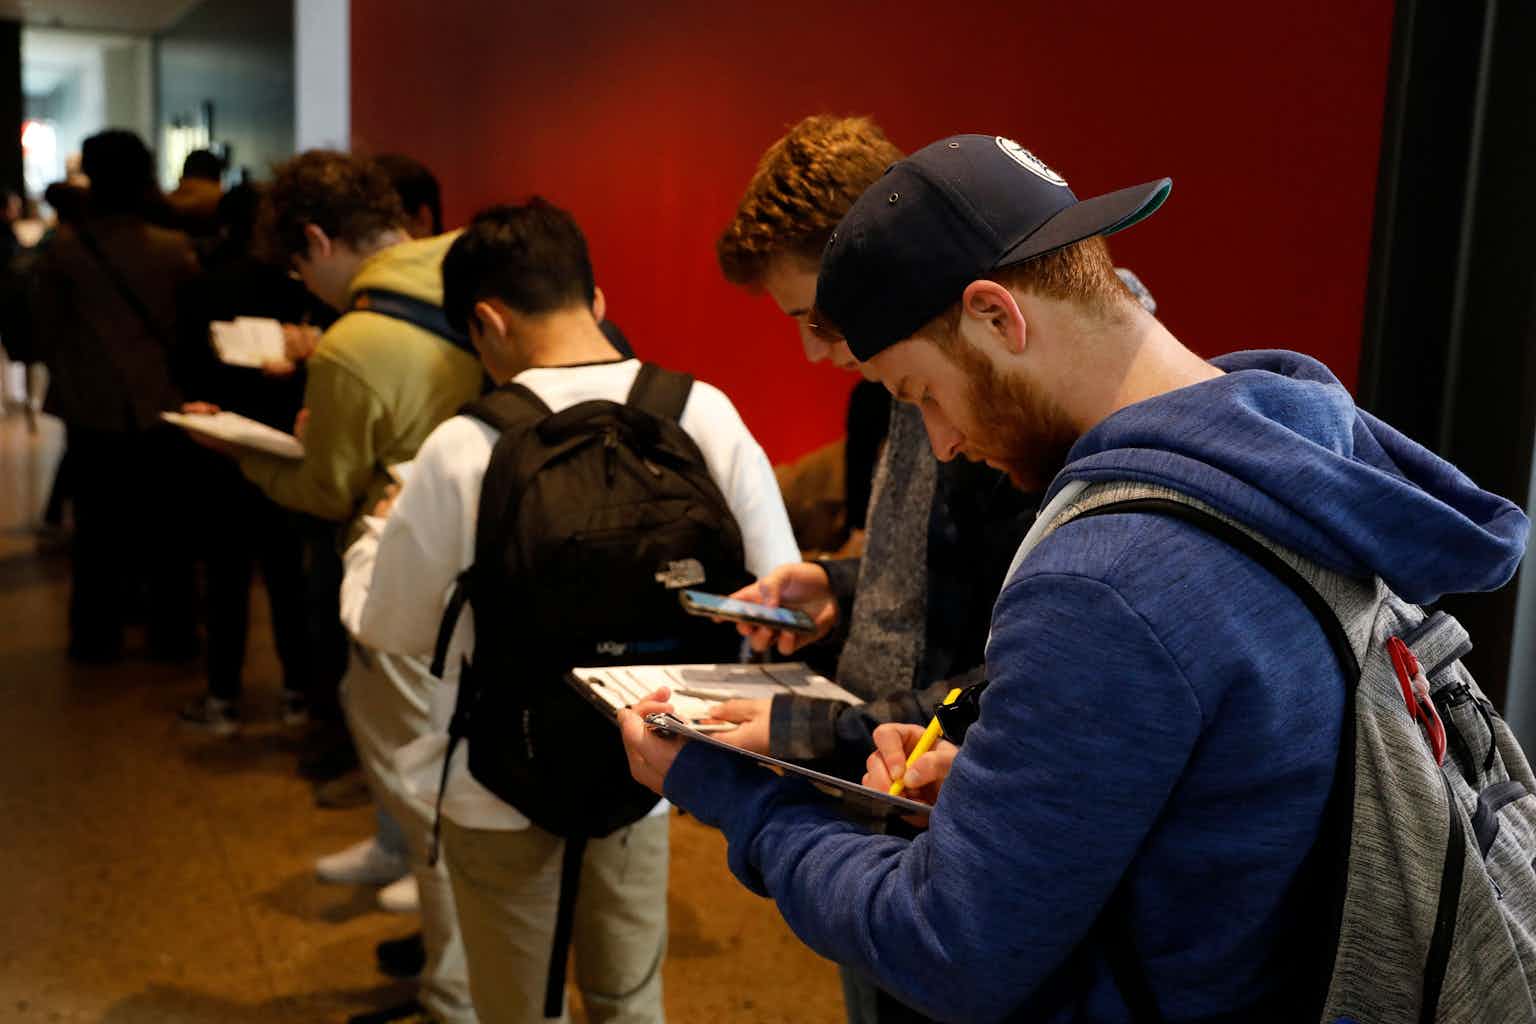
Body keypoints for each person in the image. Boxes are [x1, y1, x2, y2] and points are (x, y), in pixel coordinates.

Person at [618, 133, 1530, 1021]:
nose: (942, 441)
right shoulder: (1285, 463)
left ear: (996, 316)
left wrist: (743, 798)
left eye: (921, 393)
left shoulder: (1107, 578)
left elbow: (948, 951)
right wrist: (1002, 783)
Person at [342, 200, 799, 1023]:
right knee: (627, 999)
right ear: (595, 298)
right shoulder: (702, 412)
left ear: (487, 321)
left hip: (498, 778)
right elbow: (774, 595)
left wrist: (372, 535)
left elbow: (393, 630)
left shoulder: (463, 445)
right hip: (650, 762)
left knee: (518, 1007)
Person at [217, 149, 483, 1024]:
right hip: (489, 566)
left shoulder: (355, 342)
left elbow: (327, 487)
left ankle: (453, 989)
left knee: (424, 782)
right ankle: (460, 957)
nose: (307, 283)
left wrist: (247, 456)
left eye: (300, 266)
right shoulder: (469, 265)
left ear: (318, 240)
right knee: (452, 770)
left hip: (407, 571)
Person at [709, 115, 1036, 787]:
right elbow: (942, 579)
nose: (812, 349)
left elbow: (1023, 666)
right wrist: (841, 588)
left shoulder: (1018, 409)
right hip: (883, 771)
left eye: (819, 317)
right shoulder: (879, 397)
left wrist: (815, 731)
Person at [31, 130, 201, 663]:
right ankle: (172, 634)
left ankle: (95, 637)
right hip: (162, 403)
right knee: (169, 530)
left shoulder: (64, 251)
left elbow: (47, 329)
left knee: (97, 534)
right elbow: (190, 329)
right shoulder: (173, 249)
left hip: (91, 406)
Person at [173, 183, 323, 735]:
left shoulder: (205, 287)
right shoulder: (304, 292)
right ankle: (297, 694)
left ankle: (223, 698)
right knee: (289, 576)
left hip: (223, 451)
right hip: (290, 448)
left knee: (225, 577)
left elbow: (185, 367)